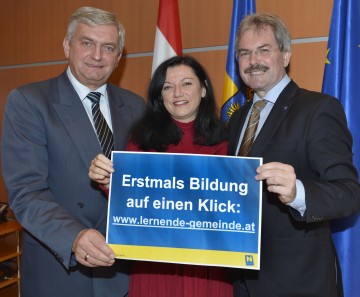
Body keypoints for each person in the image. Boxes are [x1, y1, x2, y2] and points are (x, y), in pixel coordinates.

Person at [1, 6, 145, 297]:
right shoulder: (29, 102)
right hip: (59, 271)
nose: (97, 56)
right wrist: (74, 236)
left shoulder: (136, 106)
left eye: (108, 47)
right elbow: (26, 193)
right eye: (87, 43)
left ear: (119, 57)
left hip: (123, 272)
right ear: (67, 46)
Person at [227, 13, 360, 297]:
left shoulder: (318, 109)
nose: (254, 61)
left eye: (264, 50)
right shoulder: (237, 120)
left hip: (299, 281)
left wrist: (297, 192)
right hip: (243, 278)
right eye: (245, 53)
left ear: (286, 55)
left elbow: (348, 193)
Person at [89, 55, 233, 297]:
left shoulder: (226, 141)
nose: (177, 93)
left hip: (208, 263)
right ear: (159, 96)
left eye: (187, 83)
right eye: (168, 87)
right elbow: (129, 200)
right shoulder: (142, 139)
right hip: (154, 263)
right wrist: (108, 182)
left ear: (204, 89)